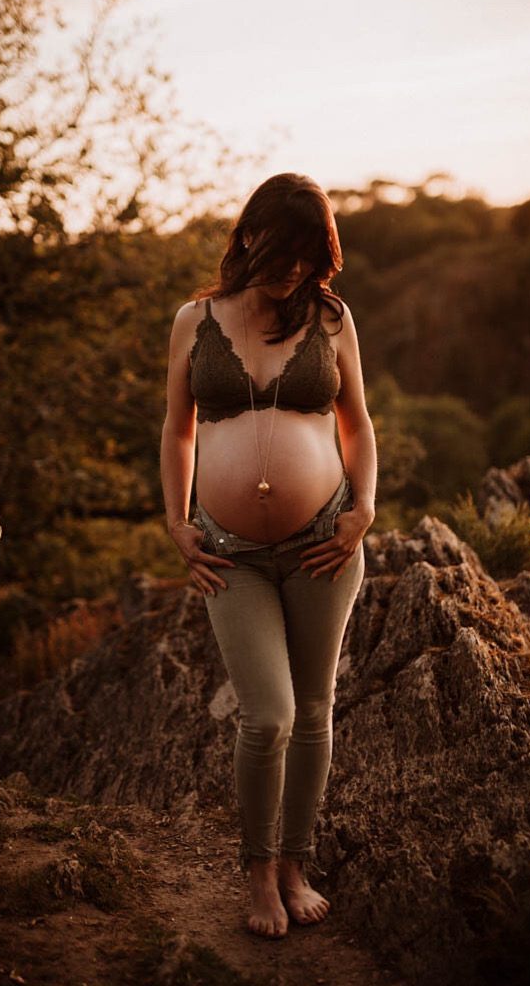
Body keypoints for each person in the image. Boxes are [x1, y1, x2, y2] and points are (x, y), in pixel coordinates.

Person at [160, 172, 377, 939]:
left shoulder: (330, 317)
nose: (292, 273)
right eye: (282, 254)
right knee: (269, 716)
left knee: (315, 711)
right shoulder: (194, 320)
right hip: (231, 555)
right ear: (248, 237)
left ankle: (296, 865)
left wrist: (364, 509)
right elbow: (178, 428)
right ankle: (258, 873)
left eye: (307, 258)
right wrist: (176, 522)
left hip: (323, 544)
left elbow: (357, 422)